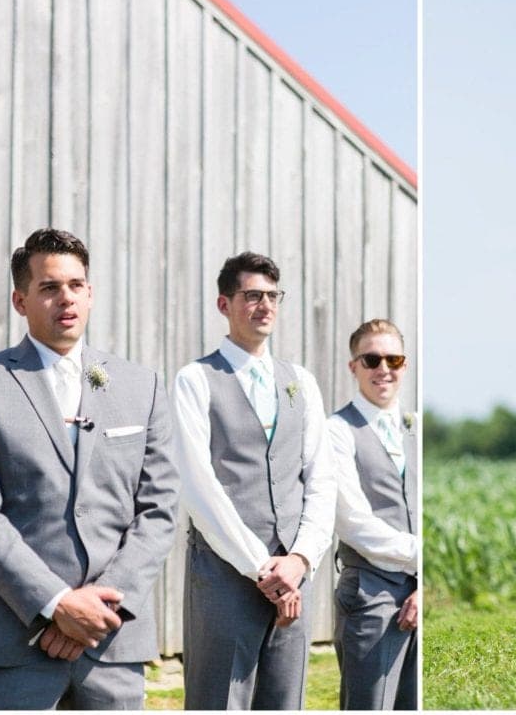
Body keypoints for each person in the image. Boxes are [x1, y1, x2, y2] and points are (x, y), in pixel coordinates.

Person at [0, 228, 180, 708]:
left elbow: (159, 511)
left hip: (111, 640)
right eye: (49, 287)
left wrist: (98, 610)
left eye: (76, 285)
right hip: (13, 640)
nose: (65, 298)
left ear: (90, 293)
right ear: (20, 299)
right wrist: (55, 605)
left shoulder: (142, 386)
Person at [172, 250, 336, 709]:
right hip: (226, 574)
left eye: (272, 295)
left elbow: (321, 477)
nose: (264, 305)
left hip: (295, 573)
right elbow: (197, 482)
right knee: (220, 701)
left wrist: (300, 559)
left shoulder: (299, 380)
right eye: (252, 296)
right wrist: (260, 567)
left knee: (286, 701)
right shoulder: (195, 380)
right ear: (224, 305)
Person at [328, 319, 418, 710]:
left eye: (393, 359)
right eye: (372, 359)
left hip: (418, 590)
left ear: (404, 365)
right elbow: (352, 521)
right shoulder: (337, 430)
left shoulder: (417, 426)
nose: (384, 369)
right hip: (371, 591)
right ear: (354, 367)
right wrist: (422, 556)